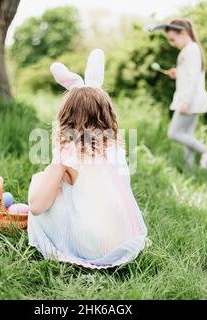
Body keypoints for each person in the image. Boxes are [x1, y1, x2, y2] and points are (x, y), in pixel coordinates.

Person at [27, 49, 148, 269]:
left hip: (91, 246)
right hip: (123, 239)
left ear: (65, 118)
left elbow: (36, 206)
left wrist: (53, 172)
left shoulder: (68, 153)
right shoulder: (115, 150)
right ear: (108, 116)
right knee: (66, 183)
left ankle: (67, 245)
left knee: (44, 182)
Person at [152, 19, 207, 168]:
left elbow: (194, 78)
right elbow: (190, 74)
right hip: (193, 98)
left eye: (172, 39)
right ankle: (190, 168)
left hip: (190, 100)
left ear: (182, 33)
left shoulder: (191, 50)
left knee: (174, 133)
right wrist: (178, 73)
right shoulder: (192, 49)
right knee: (188, 135)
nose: (172, 43)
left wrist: (186, 102)